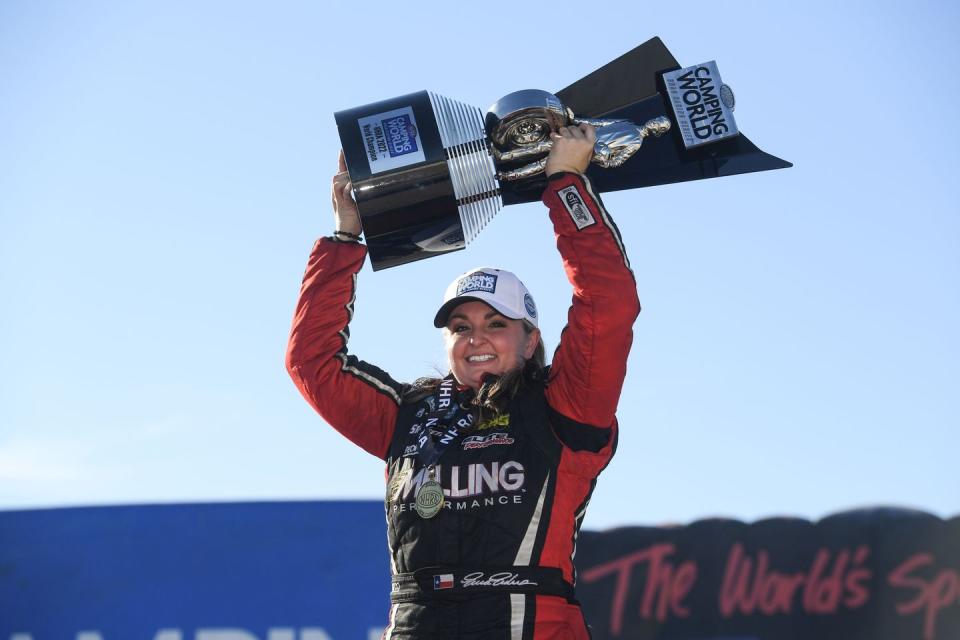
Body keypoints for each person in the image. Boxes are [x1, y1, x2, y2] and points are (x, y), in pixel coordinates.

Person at [286, 123, 640, 639]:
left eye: (497, 324)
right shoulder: (405, 416)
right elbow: (311, 362)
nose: (476, 338)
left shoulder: (567, 408)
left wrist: (565, 184)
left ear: (531, 341)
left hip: (529, 617)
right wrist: (344, 237)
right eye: (460, 327)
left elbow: (608, 306)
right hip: (417, 620)